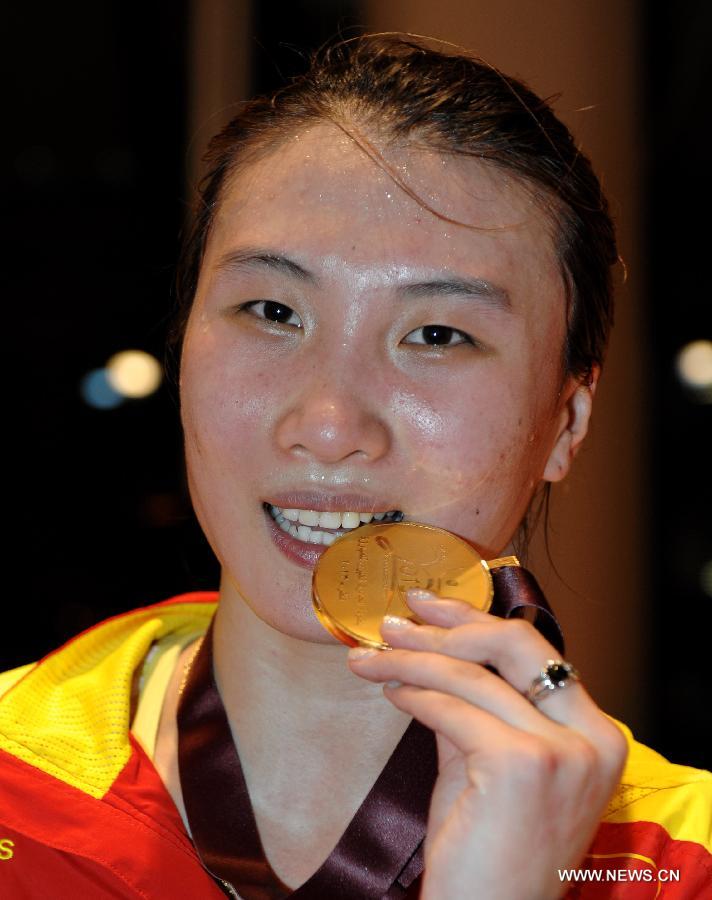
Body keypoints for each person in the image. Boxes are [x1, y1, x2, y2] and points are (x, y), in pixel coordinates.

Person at [0, 34, 710, 899]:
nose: (329, 427)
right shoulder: (17, 778)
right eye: (271, 310)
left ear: (565, 421)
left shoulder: (673, 863)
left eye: (437, 335)